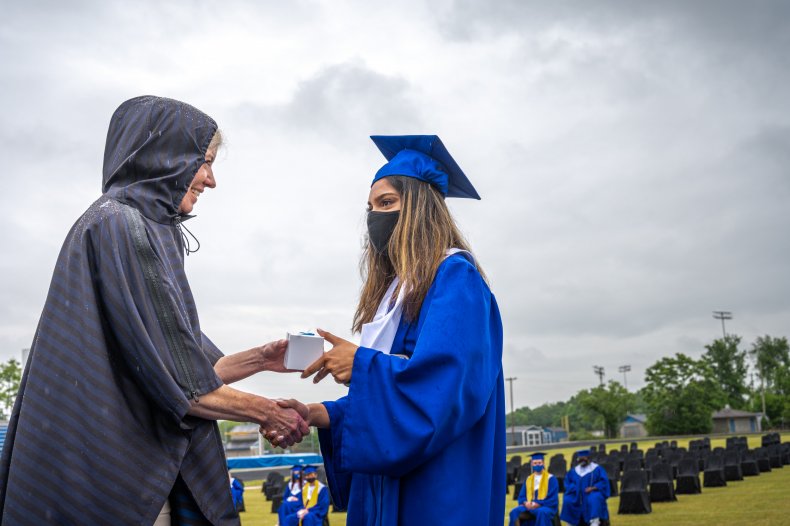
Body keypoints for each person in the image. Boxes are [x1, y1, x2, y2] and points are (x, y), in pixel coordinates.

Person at [0, 96, 309, 525]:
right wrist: (269, 412)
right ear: (165, 156)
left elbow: (177, 365)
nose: (210, 179)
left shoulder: (132, 225)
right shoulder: (121, 225)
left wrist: (260, 359)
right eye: (204, 161)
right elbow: (185, 387)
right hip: (113, 480)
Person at [288, 135, 505, 525]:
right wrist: (318, 413)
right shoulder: (398, 291)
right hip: (389, 483)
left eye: (387, 203)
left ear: (421, 208)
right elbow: (391, 400)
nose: (375, 216)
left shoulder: (455, 277)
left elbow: (441, 388)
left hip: (437, 484)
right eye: (371, 207)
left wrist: (360, 364)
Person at [560, 449, 611, 526]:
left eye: (584, 458)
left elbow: (604, 482)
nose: (582, 461)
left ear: (588, 458)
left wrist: (593, 488)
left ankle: (595, 522)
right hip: (577, 493)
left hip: (591, 492)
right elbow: (567, 483)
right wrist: (576, 488)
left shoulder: (597, 469)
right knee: (568, 499)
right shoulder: (574, 471)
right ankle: (570, 523)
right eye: (580, 459)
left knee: (595, 498)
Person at [508, 453, 559, 526]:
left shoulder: (551, 479)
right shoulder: (529, 479)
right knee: (514, 512)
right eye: (535, 463)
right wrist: (526, 503)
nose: (537, 465)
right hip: (529, 506)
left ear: (543, 463)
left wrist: (537, 504)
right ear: (532, 464)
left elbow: (552, 499)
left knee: (541, 512)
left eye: (539, 463)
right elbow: (522, 496)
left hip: (545, 506)